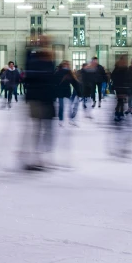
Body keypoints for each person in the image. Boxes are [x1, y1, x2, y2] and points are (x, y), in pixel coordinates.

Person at [23, 40, 56, 169]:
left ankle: (40, 156)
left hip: (44, 99)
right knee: (39, 129)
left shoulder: (47, 62)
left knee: (44, 129)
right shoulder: (36, 60)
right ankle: (37, 156)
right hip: (38, 99)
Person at [53, 60, 80, 126]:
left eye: (67, 65)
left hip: (66, 92)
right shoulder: (58, 72)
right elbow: (54, 82)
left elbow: (74, 83)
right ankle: (61, 119)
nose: (66, 66)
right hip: (60, 92)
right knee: (61, 106)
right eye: (65, 64)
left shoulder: (69, 73)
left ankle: (70, 119)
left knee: (69, 106)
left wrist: (79, 92)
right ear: (62, 65)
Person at [111, 56, 132, 121]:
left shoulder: (116, 68)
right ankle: (120, 113)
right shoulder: (126, 69)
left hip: (118, 87)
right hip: (124, 87)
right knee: (122, 101)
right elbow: (129, 78)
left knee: (120, 101)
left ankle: (117, 113)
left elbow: (113, 77)